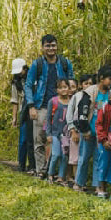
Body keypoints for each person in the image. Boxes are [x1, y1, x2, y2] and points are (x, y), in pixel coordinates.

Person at [25, 34, 75, 178]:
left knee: (62, 139)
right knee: (40, 140)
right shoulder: (37, 64)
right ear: (42, 47)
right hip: (42, 106)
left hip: (61, 106)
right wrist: (31, 106)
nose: (51, 48)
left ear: (57, 46)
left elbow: (72, 82)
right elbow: (28, 85)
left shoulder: (65, 63)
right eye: (47, 46)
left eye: (53, 45)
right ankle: (41, 170)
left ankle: (58, 172)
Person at [92, 65, 111, 200]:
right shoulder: (104, 106)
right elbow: (98, 124)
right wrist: (103, 140)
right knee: (102, 163)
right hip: (104, 140)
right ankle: (101, 189)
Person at [73, 72, 103, 193]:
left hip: (100, 132)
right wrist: (84, 129)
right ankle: (79, 183)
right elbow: (82, 112)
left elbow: (102, 110)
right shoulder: (89, 92)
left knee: (98, 158)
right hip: (88, 130)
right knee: (84, 157)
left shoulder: (106, 93)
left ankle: (97, 185)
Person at [46, 78, 73, 183]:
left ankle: (61, 176)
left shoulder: (72, 102)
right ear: (57, 90)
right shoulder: (53, 101)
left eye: (65, 87)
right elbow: (48, 119)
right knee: (55, 154)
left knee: (64, 155)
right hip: (55, 133)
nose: (63, 89)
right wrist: (48, 134)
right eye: (60, 88)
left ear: (69, 88)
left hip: (67, 134)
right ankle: (50, 174)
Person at [10, 57, 34, 173]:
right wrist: (14, 117)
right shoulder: (15, 83)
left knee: (33, 139)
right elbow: (15, 101)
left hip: (34, 110)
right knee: (23, 139)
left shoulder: (33, 78)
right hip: (23, 112)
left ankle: (33, 165)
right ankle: (21, 164)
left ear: (25, 68)